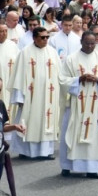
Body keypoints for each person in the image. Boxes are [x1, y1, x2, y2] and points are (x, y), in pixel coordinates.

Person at [57, 31, 98, 177]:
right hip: (76, 104)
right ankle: (67, 166)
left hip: (95, 104)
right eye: (87, 43)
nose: (90, 46)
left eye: (92, 43)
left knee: (95, 136)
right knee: (71, 132)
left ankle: (92, 169)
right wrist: (78, 80)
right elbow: (62, 79)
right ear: (81, 42)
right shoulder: (71, 59)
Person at [10, 27, 62, 159]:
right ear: (34, 38)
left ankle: (45, 152)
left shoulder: (52, 52)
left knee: (47, 120)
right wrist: (19, 98)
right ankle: (25, 151)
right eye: (42, 37)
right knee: (29, 120)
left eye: (47, 37)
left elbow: (60, 74)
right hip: (30, 97)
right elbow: (19, 76)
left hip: (49, 96)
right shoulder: (25, 53)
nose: (45, 40)